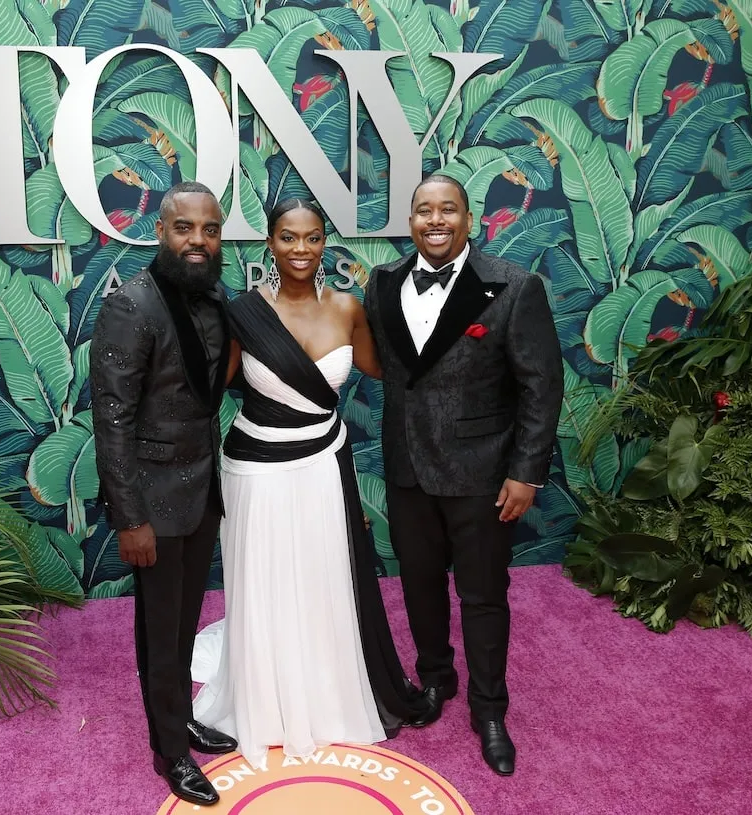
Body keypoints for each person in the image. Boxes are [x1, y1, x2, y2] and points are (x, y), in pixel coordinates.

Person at [190, 198, 427, 770]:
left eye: (314, 238)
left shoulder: (348, 308)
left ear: (326, 243)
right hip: (256, 469)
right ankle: (266, 697)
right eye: (289, 238)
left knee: (323, 577)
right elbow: (210, 386)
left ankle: (326, 690)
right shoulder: (243, 311)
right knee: (267, 578)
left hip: (324, 464)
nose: (301, 249)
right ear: (269, 243)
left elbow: (387, 369)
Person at [363, 174, 564, 776]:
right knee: (419, 586)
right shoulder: (383, 284)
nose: (435, 221)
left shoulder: (513, 285)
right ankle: (434, 681)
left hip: (483, 473)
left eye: (447, 209)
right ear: (411, 220)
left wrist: (526, 473)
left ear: (469, 218)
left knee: (482, 596)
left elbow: (541, 387)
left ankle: (490, 709)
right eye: (423, 210)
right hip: (407, 470)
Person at [89, 181, 239, 808]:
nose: (198, 240)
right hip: (151, 501)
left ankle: (175, 723)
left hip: (202, 492)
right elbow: (112, 419)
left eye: (209, 229)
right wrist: (130, 518)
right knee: (161, 627)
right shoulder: (132, 305)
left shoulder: (215, 299)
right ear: (161, 231)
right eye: (185, 228)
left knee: (181, 626)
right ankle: (170, 752)